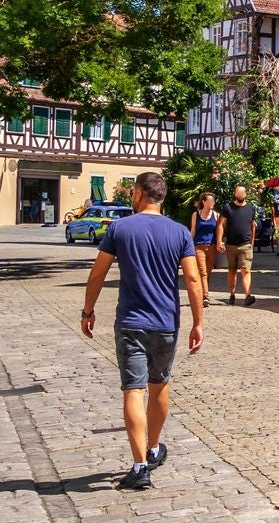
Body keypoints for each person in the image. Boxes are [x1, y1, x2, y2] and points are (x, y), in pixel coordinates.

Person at [79, 170, 204, 492]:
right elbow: (192, 280)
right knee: (160, 384)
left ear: (138, 194)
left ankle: (139, 466)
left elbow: (97, 275)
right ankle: (153, 447)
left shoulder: (120, 228)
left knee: (133, 390)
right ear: (161, 197)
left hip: (131, 322)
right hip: (166, 322)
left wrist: (88, 311)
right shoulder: (179, 233)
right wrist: (198, 323)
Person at [214, 185, 259, 307]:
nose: (239, 195)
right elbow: (221, 225)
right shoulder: (228, 208)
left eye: (242, 193)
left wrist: (252, 241)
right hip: (231, 245)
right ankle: (232, 294)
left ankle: (248, 296)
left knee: (245, 270)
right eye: (237, 193)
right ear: (235, 194)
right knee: (232, 271)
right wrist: (219, 241)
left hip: (245, 245)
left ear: (245, 194)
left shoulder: (251, 208)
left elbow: (252, 226)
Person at [189, 193, 220, 290]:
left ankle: (202, 292)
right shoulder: (196, 215)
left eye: (213, 201)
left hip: (211, 246)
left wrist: (219, 243)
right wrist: (188, 244)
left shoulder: (216, 215)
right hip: (199, 246)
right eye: (209, 201)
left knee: (208, 272)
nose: (211, 203)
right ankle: (205, 296)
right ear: (203, 201)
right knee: (202, 272)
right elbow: (193, 231)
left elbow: (218, 232)